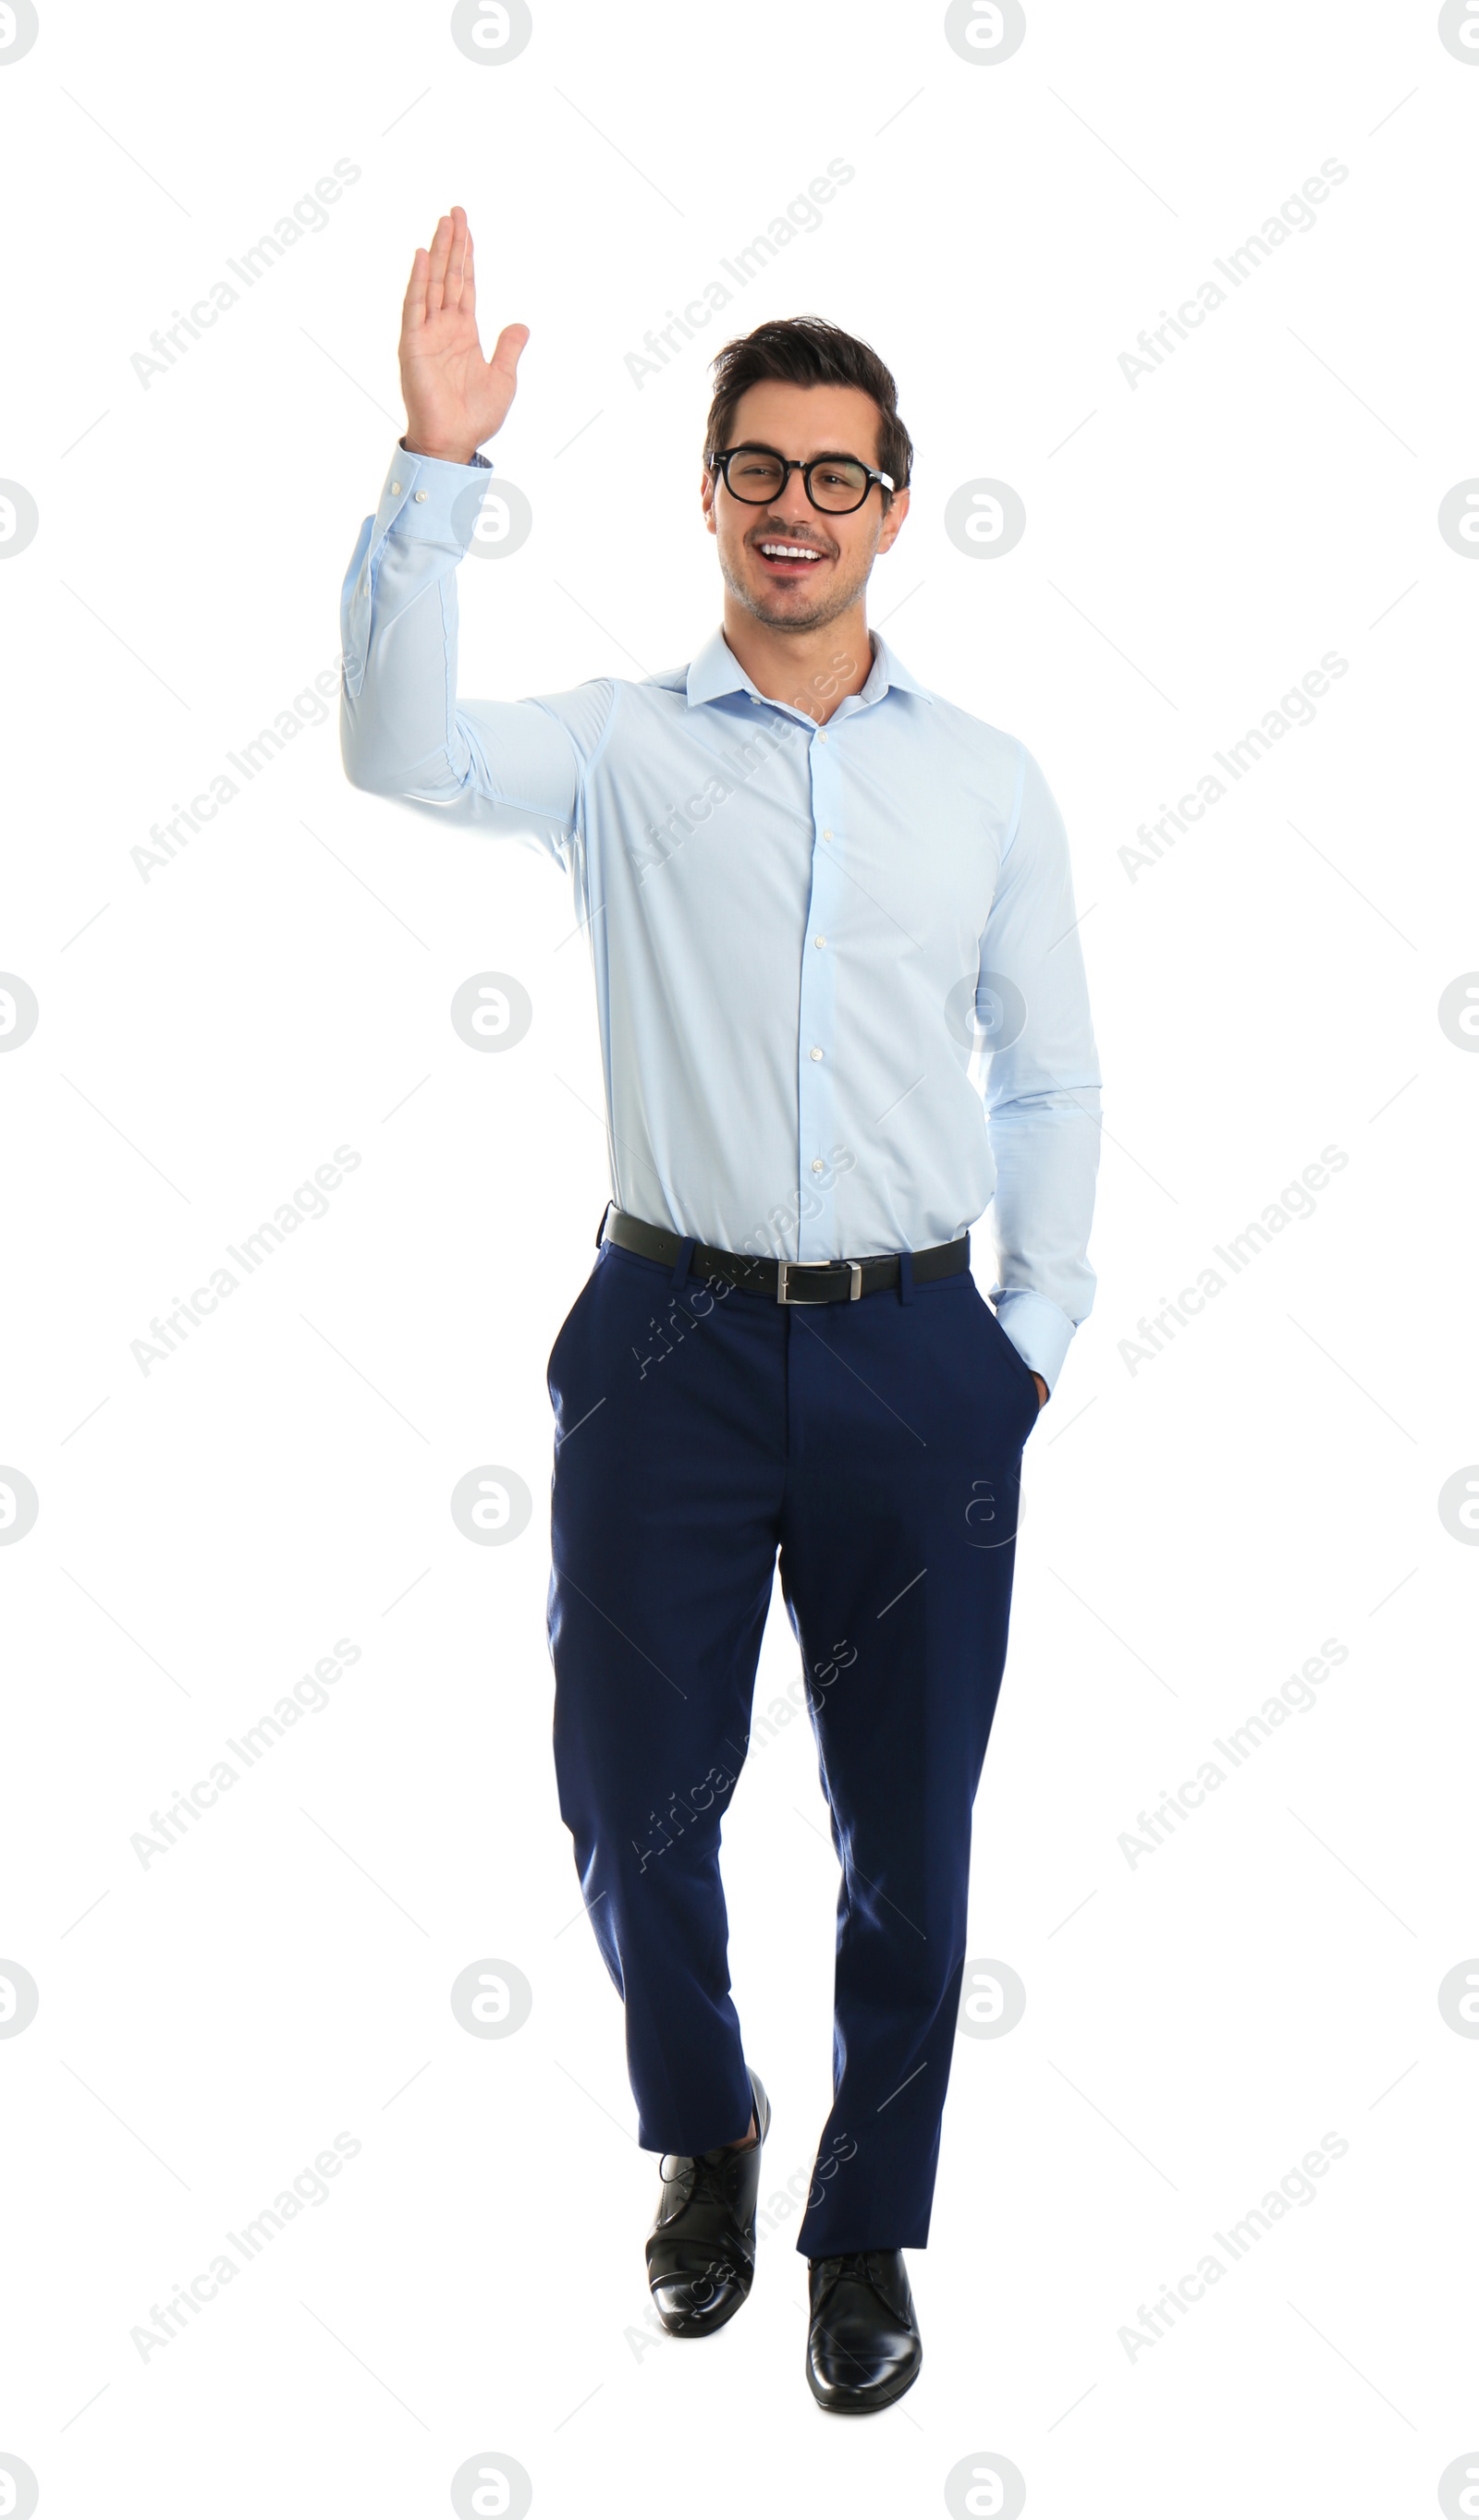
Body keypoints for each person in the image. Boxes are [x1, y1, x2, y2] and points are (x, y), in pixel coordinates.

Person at [340, 205, 1101, 2414]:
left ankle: (863, 2225)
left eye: (834, 471)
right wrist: (429, 464)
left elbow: (1045, 1065)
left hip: (914, 1358)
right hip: (663, 1347)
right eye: (756, 466)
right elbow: (395, 751)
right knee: (626, 1790)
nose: (794, 505)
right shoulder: (615, 747)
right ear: (708, 493)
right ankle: (705, 2128)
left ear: (891, 501)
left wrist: (1021, 1342)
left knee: (910, 1829)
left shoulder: (982, 781)